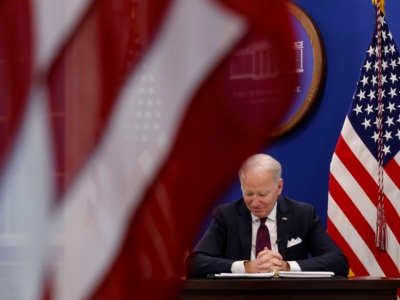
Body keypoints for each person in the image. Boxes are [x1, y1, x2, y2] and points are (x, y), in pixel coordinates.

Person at [187, 153, 348, 277]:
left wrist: (286, 267)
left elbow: (338, 262)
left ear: (279, 187)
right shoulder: (227, 216)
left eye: (262, 194)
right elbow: (195, 263)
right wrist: (245, 267)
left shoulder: (303, 214)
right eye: (248, 193)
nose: (255, 203)